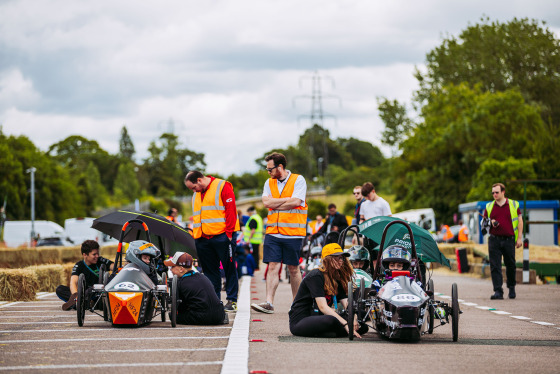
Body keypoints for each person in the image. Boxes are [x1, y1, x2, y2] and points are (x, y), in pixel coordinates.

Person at [251, 152, 307, 314]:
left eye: (270, 169)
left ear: (280, 167)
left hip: (293, 232)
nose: (268, 172)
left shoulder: (298, 180)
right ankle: (269, 302)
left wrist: (275, 203)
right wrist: (286, 201)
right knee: (273, 266)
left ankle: (297, 304)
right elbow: (266, 202)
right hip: (273, 232)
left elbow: (297, 202)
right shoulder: (269, 183)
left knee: (293, 269)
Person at [184, 170, 240, 312]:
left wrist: (229, 233)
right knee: (210, 271)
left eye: (193, 187)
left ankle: (232, 300)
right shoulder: (196, 194)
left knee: (229, 268)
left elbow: (231, 210)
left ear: (199, 181)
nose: (193, 191)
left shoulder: (222, 186)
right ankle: (214, 300)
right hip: (202, 237)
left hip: (222, 235)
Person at [289, 243, 362, 338]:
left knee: (362, 323)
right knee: (331, 320)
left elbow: (347, 303)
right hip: (302, 320)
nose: (341, 261)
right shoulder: (316, 275)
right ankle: (335, 331)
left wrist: (354, 318)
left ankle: (330, 333)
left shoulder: (337, 277)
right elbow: (322, 307)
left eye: (342, 258)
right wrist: (345, 323)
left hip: (321, 318)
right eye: (337, 258)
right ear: (327, 259)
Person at [164, 252, 228, 325]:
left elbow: (180, 307)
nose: (171, 270)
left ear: (181, 269)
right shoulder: (203, 277)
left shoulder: (180, 283)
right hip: (219, 315)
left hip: (201, 317)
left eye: (172, 267)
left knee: (172, 316)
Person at [484, 183, 523, 300]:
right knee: (495, 266)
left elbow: (520, 221)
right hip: (494, 240)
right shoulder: (489, 206)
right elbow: (484, 222)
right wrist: (491, 222)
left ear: (503, 192)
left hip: (509, 240)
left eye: (496, 192)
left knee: (510, 265)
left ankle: (511, 287)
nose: (494, 194)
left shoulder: (513, 204)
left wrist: (519, 238)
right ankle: (498, 291)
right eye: (493, 193)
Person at [56, 240, 113, 310]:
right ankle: (82, 303)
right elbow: (73, 282)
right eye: (94, 254)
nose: (97, 256)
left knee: (91, 290)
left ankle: (81, 304)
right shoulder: (79, 265)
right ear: (85, 255)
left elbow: (113, 266)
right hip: (83, 294)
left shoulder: (101, 260)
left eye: (98, 254)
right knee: (60, 289)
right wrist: (76, 296)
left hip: (99, 292)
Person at [243, 206, 263, 271]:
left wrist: (248, 239)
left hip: (253, 240)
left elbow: (253, 230)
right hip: (258, 239)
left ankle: (255, 267)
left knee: (254, 255)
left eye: (248, 213)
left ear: (250, 212)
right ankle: (256, 267)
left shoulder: (253, 218)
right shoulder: (258, 217)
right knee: (256, 254)